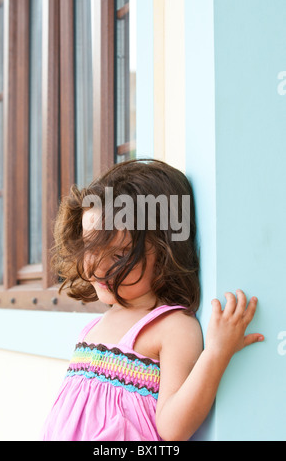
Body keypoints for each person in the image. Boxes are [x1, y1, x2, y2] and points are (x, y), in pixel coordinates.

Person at [40, 159, 264, 441]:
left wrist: (217, 353)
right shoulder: (100, 322)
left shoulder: (172, 326)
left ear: (165, 253)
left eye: (120, 255)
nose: (96, 266)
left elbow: (173, 430)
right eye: (90, 246)